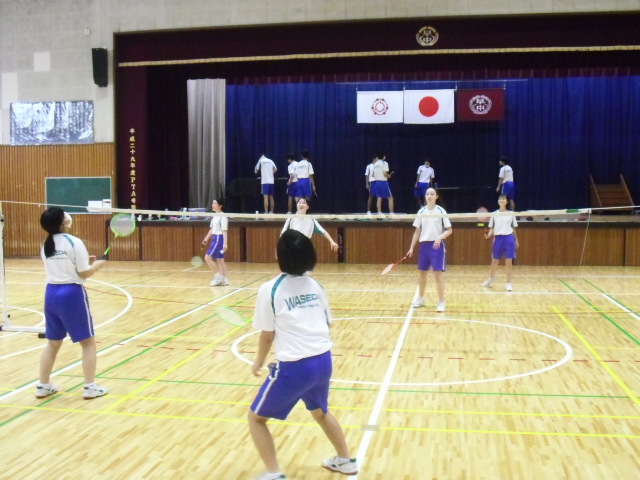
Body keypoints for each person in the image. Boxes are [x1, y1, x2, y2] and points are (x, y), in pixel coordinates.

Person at [248, 230, 358, 480]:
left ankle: (273, 473)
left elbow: (267, 335)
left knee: (255, 419)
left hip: (295, 367)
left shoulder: (270, 289)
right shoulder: (315, 286)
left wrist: (258, 361)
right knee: (320, 411)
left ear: (278, 256)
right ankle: (345, 460)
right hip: (323, 361)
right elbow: (327, 322)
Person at [36, 207, 108, 400]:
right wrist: (96, 266)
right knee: (88, 342)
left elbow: (64, 264)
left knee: (53, 343)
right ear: (63, 222)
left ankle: (43, 386)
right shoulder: (73, 241)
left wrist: (84, 261)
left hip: (51, 294)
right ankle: (90, 387)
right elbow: (84, 274)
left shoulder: (46, 245)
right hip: (71, 294)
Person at [406, 188, 453, 312]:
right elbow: (417, 231)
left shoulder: (441, 211)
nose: (429, 196)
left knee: (437, 274)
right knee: (422, 273)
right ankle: (420, 298)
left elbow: (449, 230)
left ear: (436, 196)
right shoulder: (421, 212)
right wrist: (411, 247)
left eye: (432, 194)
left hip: (437, 246)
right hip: (424, 246)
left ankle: (441, 302)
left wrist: (440, 237)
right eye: (427, 194)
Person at [482, 194, 519, 291]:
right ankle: (490, 279)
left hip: (509, 239)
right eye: (500, 199)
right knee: (494, 261)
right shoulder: (494, 214)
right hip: (498, 239)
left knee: (509, 262)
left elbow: (513, 228)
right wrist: (488, 235)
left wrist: (516, 240)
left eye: (503, 199)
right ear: (498, 201)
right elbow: (492, 228)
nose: (501, 200)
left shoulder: (511, 214)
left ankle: (508, 283)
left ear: (506, 202)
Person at [202, 198, 229, 286]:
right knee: (220, 259)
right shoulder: (215, 216)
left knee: (207, 258)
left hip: (219, 239)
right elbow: (212, 229)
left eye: (215, 204)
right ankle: (224, 279)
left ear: (220, 206)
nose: (212, 205)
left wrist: (225, 243)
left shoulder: (223, 217)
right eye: (212, 204)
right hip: (215, 238)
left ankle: (218, 277)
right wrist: (206, 239)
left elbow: (224, 230)